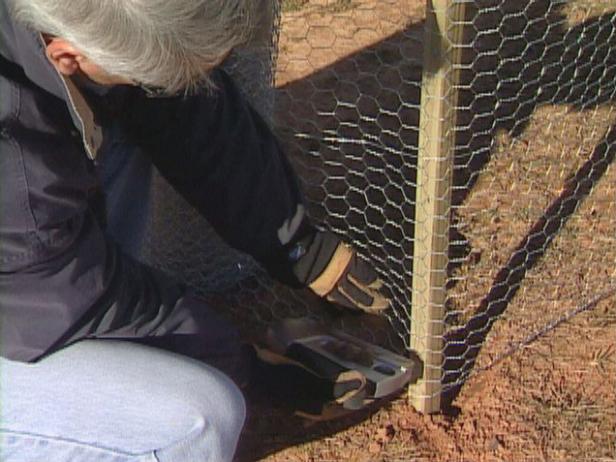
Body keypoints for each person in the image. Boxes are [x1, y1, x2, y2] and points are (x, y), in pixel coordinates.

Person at [0, 1, 390, 461]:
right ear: (65, 54)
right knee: (199, 419)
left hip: (28, 257)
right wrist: (241, 367)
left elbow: (172, 98)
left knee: (119, 96)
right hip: (25, 292)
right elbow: (62, 299)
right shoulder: (17, 176)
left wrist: (293, 240)